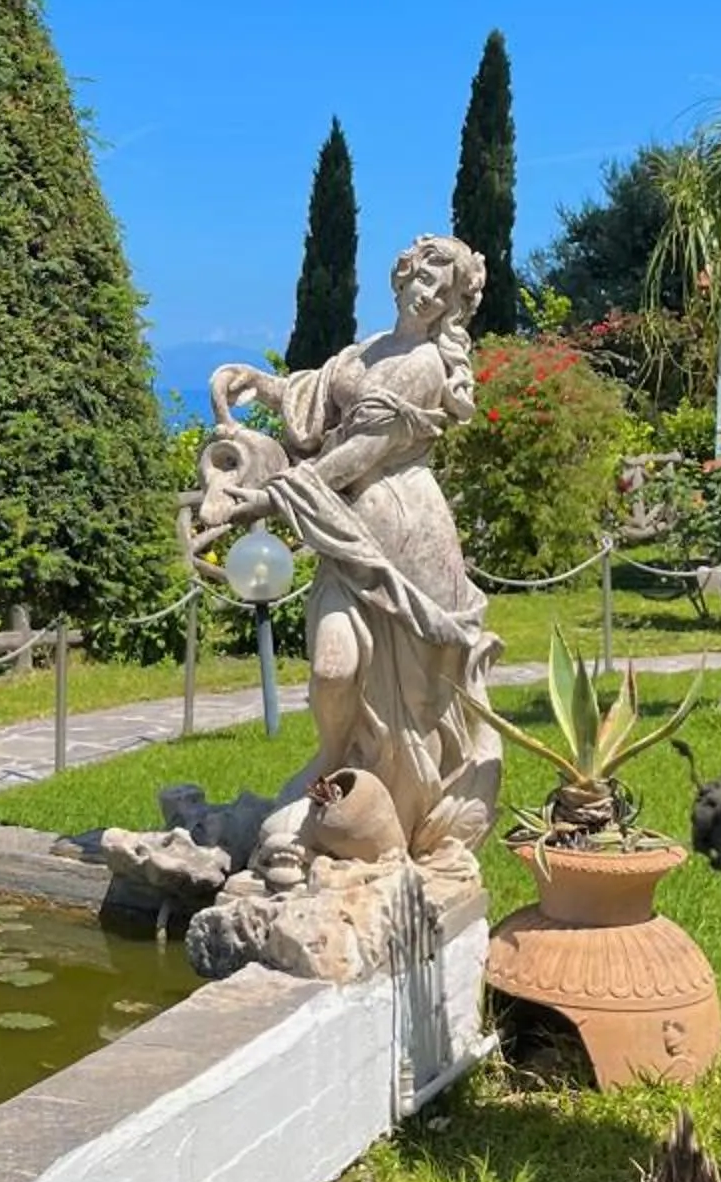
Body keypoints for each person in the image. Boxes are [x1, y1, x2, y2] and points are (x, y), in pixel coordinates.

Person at [206, 233, 501, 852]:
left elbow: (352, 458)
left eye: (440, 291)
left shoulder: (423, 368)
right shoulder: (367, 350)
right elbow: (318, 400)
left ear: (453, 304)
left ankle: (397, 814)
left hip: (406, 533)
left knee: (414, 697)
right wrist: (261, 382)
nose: (425, 296)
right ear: (400, 278)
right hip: (349, 534)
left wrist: (266, 499)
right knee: (333, 668)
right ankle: (331, 764)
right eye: (419, 280)